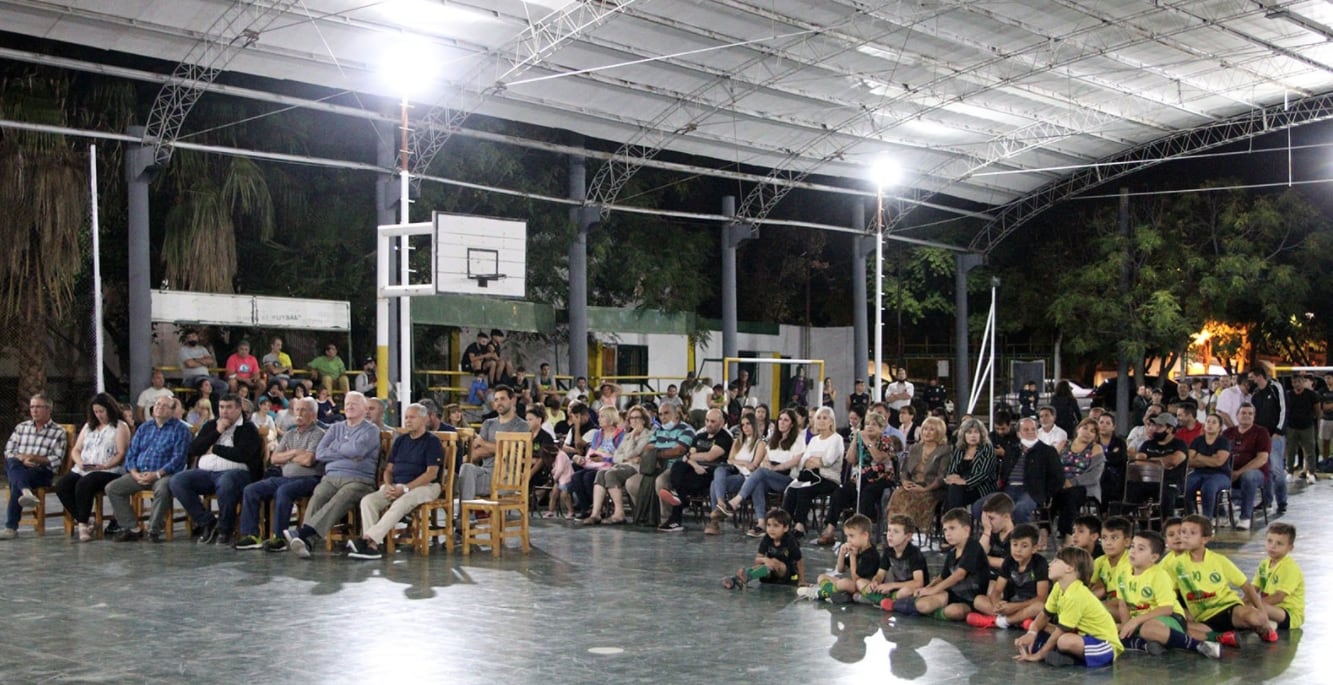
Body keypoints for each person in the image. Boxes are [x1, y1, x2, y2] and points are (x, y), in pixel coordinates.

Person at [281, 392, 380, 557]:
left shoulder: (371, 430)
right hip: (331, 477)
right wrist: (347, 451)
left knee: (341, 497)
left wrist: (335, 448)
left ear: (364, 409)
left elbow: (358, 450)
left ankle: (304, 535)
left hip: (359, 480)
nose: (349, 407)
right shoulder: (335, 428)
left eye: (354, 404)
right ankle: (307, 542)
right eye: (347, 404)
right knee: (319, 494)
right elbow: (320, 453)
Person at [345, 403, 443, 560]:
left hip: (425, 486)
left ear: (424, 419)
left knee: (401, 502)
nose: (408, 421)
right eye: (406, 417)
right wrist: (388, 484)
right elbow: (389, 469)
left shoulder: (432, 441)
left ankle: (367, 539)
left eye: (412, 417)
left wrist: (405, 488)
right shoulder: (401, 440)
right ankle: (372, 547)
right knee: (368, 501)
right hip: (397, 485)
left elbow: (431, 473)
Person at [232, 397, 325, 551]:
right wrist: (295, 452)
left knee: (284, 491)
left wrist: (287, 456)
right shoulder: (289, 434)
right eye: (297, 409)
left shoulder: (318, 434)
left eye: (304, 410)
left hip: (310, 478)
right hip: (285, 477)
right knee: (251, 489)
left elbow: (308, 460)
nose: (299, 413)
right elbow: (275, 458)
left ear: (314, 414)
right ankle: (252, 535)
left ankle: (279, 538)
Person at [170, 394, 263, 545]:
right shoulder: (212, 425)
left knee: (227, 483)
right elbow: (194, 449)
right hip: (207, 473)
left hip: (238, 474)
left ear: (239, 408)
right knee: (178, 481)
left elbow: (242, 454)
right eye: (221, 407)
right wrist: (218, 431)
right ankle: (207, 522)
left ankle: (225, 529)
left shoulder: (247, 428)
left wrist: (215, 448)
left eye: (229, 407)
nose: (225, 411)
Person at [1112, 530, 1221, 658]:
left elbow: (1167, 608)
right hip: (1141, 620)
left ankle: (1198, 646)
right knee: (1109, 627)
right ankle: (1147, 645)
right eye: (1132, 546)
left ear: (1153, 557)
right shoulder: (1122, 573)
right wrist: (1126, 625)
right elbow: (1123, 604)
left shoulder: (1159, 575)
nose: (1133, 551)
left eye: (1140, 549)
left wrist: (1135, 621)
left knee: (1148, 629)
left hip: (1171, 617)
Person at [1170, 515, 1276, 647]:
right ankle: (1223, 637)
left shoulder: (1218, 560)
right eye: (1183, 532)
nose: (1185, 536)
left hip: (1229, 610)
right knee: (1175, 629)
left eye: (1192, 533)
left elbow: (1247, 586)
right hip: (1204, 619)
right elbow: (1171, 594)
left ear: (1205, 539)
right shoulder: (1175, 565)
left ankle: (1257, 627)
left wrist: (1264, 616)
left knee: (1257, 618)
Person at [1013, 546, 1122, 668]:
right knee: (1040, 627)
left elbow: (1061, 631)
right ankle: (1062, 655)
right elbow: (1044, 615)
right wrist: (1032, 633)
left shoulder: (1076, 594)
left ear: (1070, 568)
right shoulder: (1058, 587)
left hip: (1104, 646)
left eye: (1056, 561)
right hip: (1081, 636)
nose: (1051, 563)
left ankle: (1072, 660)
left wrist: (1039, 655)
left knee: (1064, 641)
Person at [105, 395, 192, 542]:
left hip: (164, 474)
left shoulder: (180, 429)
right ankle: (132, 528)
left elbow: (178, 458)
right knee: (113, 488)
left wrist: (157, 474)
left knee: (163, 489)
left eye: (164, 405)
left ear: (172, 411)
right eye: (157, 404)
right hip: (139, 473)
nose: (159, 407)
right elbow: (132, 453)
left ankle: (153, 530)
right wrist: (134, 473)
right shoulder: (144, 427)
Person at [885, 507, 988, 621]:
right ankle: (908, 606)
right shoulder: (952, 552)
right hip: (952, 594)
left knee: (954, 611)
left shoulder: (973, 547)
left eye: (952, 528)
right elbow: (942, 577)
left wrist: (934, 590)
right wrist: (926, 589)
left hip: (971, 599)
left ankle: (933, 612)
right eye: (945, 530)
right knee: (922, 604)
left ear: (966, 530)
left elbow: (959, 574)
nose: (947, 533)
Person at [813, 411, 898, 545]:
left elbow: (879, 458)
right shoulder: (861, 440)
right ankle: (830, 531)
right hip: (860, 478)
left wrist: (868, 442)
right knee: (840, 493)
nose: (869, 427)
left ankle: (863, 534)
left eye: (874, 425)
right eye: (868, 424)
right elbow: (850, 459)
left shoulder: (886, 441)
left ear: (881, 428)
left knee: (867, 494)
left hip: (881, 479)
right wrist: (854, 441)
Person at [55, 393, 131, 542]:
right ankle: (84, 520)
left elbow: (121, 453)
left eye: (101, 411)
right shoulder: (88, 426)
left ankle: (82, 525)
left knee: (85, 483)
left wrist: (105, 465)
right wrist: (80, 462)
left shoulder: (120, 426)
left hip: (109, 469)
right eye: (96, 412)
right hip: (85, 467)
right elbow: (76, 449)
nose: (99, 415)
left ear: (110, 409)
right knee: (63, 485)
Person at [717, 408, 803, 537]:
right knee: (758, 482)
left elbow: (797, 460)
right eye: (780, 419)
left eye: (786, 420)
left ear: (792, 424)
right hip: (769, 474)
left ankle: (736, 501)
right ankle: (761, 523)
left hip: (788, 477)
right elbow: (766, 458)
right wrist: (767, 464)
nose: (782, 423)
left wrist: (776, 468)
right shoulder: (774, 439)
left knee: (760, 473)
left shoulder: (798, 439)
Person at [2, 392, 67, 539]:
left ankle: (11, 528)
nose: (34, 411)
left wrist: (35, 458)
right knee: (12, 462)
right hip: (20, 466)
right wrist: (23, 459)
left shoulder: (58, 432)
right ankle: (26, 492)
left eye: (38, 407)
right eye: (32, 407)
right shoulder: (21, 427)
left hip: (41, 472)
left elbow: (56, 459)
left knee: (15, 479)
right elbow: (9, 451)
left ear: (49, 409)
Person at [657, 408, 733, 532]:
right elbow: (687, 456)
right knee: (678, 465)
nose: (709, 424)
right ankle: (679, 501)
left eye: (713, 421)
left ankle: (676, 516)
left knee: (682, 484)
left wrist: (691, 458)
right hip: (694, 468)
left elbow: (710, 457)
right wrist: (695, 464)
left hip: (709, 473)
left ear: (722, 422)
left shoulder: (724, 438)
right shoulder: (700, 436)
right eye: (707, 421)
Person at [968, 524, 1050, 629]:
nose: (1018, 550)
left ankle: (999, 621)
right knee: (978, 600)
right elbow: (997, 590)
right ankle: (1018, 621)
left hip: (1028, 605)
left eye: (1024, 546)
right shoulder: (1009, 561)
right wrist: (998, 605)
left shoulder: (1040, 563)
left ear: (1034, 548)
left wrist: (1014, 607)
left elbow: (1041, 598)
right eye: (1014, 545)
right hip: (1011, 604)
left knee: (1040, 607)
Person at [777, 406, 842, 539]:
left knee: (804, 491)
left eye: (825, 418)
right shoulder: (814, 440)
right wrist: (814, 461)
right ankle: (784, 525)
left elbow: (827, 460)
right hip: (811, 476)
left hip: (829, 478)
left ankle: (799, 525)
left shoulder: (837, 439)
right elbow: (803, 461)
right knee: (791, 490)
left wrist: (815, 460)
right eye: (818, 418)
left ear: (831, 421)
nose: (821, 421)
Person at [582, 405, 653, 526]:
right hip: (625, 465)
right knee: (600, 474)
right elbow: (616, 456)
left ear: (644, 420)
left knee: (611, 474)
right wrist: (626, 457)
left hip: (636, 467)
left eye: (637, 418)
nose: (634, 421)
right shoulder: (627, 436)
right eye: (631, 418)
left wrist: (633, 437)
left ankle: (619, 513)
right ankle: (596, 514)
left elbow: (632, 452)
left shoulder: (647, 435)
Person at [458, 385, 527, 508]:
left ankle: (464, 519)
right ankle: (466, 517)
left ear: (513, 400)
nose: (498, 403)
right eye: (496, 400)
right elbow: (478, 451)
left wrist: (485, 444)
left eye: (502, 399)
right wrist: (497, 449)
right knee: (464, 470)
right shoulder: (488, 423)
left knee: (464, 484)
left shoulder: (521, 426)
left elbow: (508, 450)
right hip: (486, 473)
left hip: (507, 479)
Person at [704, 412, 766, 535]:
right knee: (719, 472)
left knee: (715, 483)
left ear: (754, 425)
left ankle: (715, 518)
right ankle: (721, 504)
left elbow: (754, 465)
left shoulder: (760, 443)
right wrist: (744, 462)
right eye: (743, 425)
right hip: (737, 473)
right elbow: (730, 460)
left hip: (748, 477)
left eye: (748, 424)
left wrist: (742, 463)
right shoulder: (738, 441)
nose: (745, 427)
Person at [885, 416, 950, 533]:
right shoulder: (915, 448)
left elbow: (942, 476)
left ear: (939, 432)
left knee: (913, 500)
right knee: (898, 494)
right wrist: (905, 482)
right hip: (913, 484)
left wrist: (925, 489)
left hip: (932, 488)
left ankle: (910, 532)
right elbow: (904, 470)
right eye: (925, 429)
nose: (927, 432)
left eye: (931, 430)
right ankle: (895, 531)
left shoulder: (945, 450)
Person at [799, 514, 878, 604]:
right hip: (852, 586)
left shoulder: (871, 555)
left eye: (851, 536)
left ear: (865, 535)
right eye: (847, 536)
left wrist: (853, 556)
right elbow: (841, 569)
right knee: (822, 577)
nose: (848, 540)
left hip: (862, 587)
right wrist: (842, 553)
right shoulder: (857, 549)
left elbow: (856, 580)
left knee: (845, 583)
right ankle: (833, 592)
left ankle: (822, 593)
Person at [722, 508, 803, 590]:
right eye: (768, 525)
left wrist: (801, 580)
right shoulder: (767, 538)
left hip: (787, 576)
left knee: (774, 561)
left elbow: (799, 561)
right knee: (762, 565)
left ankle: (744, 578)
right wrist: (765, 560)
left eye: (776, 526)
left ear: (785, 528)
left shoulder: (790, 540)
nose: (771, 529)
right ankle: (736, 579)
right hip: (769, 573)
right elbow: (757, 560)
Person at [1052, 418, 1105, 537]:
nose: (1087, 432)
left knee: (1070, 495)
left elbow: (1094, 475)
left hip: (1084, 486)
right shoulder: (1063, 444)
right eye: (1085, 428)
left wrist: (1072, 482)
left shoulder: (1096, 448)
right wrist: (1059, 481)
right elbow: (1051, 465)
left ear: (1095, 436)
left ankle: (1067, 533)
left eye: (1092, 431)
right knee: (1051, 494)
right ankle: (1044, 531)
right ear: (1078, 429)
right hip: (1060, 483)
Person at [1222, 403, 1270, 531]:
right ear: (1237, 415)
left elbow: (1262, 458)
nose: (1246, 416)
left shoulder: (1261, 432)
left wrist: (1238, 472)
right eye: (1243, 413)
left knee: (1248, 477)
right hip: (1230, 470)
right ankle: (1220, 515)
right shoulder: (1227, 433)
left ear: (1254, 417)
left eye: (1250, 414)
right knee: (1212, 477)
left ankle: (1245, 517)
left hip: (1255, 472)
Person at [569, 406, 623, 518]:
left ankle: (598, 508)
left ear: (610, 418)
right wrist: (582, 459)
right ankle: (586, 508)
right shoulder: (598, 434)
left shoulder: (620, 434)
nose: (598, 419)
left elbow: (621, 457)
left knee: (588, 477)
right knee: (576, 477)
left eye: (602, 416)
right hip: (595, 464)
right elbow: (591, 452)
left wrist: (604, 459)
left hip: (610, 466)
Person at [862, 515, 928, 606]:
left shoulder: (914, 554)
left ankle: (881, 600)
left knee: (905, 592)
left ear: (908, 536)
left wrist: (892, 585)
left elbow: (918, 583)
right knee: (860, 582)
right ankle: (886, 601)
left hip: (911, 590)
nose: (890, 535)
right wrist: (875, 582)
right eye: (889, 530)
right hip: (895, 588)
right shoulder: (888, 550)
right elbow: (880, 574)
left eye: (896, 532)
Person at [1251, 522, 1304, 633]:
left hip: (1288, 614)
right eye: (1269, 541)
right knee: (1241, 607)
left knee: (1257, 608)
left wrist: (1254, 604)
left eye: (1279, 543)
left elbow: (1279, 597)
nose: (1273, 546)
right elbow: (1253, 589)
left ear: (1290, 548)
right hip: (1268, 606)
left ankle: (1266, 623)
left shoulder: (1290, 568)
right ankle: (1266, 622)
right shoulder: (1264, 564)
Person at [1248, 366, 1287, 514]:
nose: (1251, 381)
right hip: (1261, 437)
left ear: (1260, 376)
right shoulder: (1256, 394)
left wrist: (1279, 430)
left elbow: (1283, 408)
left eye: (1253, 377)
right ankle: (1267, 499)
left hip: (1274, 435)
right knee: (1266, 470)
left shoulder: (1275, 388)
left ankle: (1282, 501)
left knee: (1277, 469)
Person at [1134, 413, 1187, 513]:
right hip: (1149, 481)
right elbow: (1139, 462)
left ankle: (1167, 524)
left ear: (1170, 429)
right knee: (1131, 489)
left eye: (1160, 426)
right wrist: (1162, 463)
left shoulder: (1179, 444)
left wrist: (1149, 461)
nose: (1155, 428)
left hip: (1172, 482)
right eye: (1155, 425)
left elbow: (1174, 461)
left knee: (1166, 494)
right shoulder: (1147, 444)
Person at [942, 417, 999, 511]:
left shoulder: (987, 449)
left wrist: (965, 482)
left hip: (981, 488)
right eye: (969, 432)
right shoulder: (960, 449)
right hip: (959, 487)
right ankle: (956, 519)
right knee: (953, 490)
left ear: (982, 434)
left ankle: (952, 520)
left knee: (953, 492)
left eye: (976, 432)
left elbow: (983, 474)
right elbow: (952, 469)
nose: (973, 436)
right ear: (963, 435)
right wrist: (953, 477)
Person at [1185, 413, 1232, 519]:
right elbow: (1190, 461)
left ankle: (1207, 519)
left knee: (1208, 487)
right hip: (1199, 472)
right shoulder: (1197, 441)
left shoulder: (1223, 442)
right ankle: (1190, 516)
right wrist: (1210, 459)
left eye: (1214, 422)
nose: (1210, 424)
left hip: (1220, 474)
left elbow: (1219, 462)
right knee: (1186, 485)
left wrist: (1199, 456)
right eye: (1208, 422)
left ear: (1219, 427)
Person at [1284, 374, 1319, 483]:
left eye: (1299, 381)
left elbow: (1317, 409)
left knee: (1310, 450)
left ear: (1303, 382)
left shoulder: (1311, 395)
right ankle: (1289, 471)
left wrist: (1313, 419)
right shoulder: (1288, 395)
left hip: (1307, 426)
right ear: (1292, 383)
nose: (1297, 384)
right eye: (1295, 382)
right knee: (1290, 450)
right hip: (1292, 426)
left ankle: (1311, 472)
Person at [1089, 516, 1132, 601]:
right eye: (1104, 538)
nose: (1108, 543)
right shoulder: (1099, 561)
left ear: (1127, 542)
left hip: (1128, 604)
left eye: (1114, 538)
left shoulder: (1131, 563)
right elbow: (1089, 585)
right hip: (1109, 601)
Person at [178, 329, 228, 398]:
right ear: (186, 339)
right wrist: (204, 362)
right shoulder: (183, 350)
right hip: (191, 379)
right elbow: (190, 364)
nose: (192, 338)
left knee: (224, 386)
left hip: (207, 377)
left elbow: (210, 361)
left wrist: (195, 360)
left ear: (197, 337)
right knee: (204, 382)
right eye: (189, 337)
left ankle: (214, 403)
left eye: (193, 336)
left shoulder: (202, 349)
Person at [1095, 413, 1128, 511]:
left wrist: (1100, 457)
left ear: (1113, 427)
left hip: (1116, 479)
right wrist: (1108, 456)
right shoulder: (1093, 442)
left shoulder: (1119, 442)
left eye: (1107, 423)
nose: (1103, 425)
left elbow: (1118, 459)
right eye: (1101, 422)